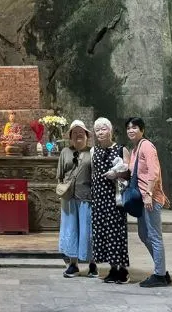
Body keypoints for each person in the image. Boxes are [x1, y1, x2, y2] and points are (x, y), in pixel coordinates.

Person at [126, 117, 171, 287]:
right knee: (144, 235)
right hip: (143, 198)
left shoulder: (146, 146)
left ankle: (160, 275)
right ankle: (162, 270)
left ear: (142, 130)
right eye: (128, 128)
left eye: (135, 127)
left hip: (149, 198)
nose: (131, 130)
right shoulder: (135, 149)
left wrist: (150, 193)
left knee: (154, 236)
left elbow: (154, 171)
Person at [90, 117, 130, 284]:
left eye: (103, 128)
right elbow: (93, 173)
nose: (100, 132)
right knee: (104, 233)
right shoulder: (93, 151)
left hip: (115, 198)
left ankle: (123, 270)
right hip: (99, 199)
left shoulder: (121, 149)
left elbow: (129, 172)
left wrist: (117, 174)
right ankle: (113, 269)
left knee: (117, 233)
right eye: (97, 129)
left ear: (110, 130)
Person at [57, 119, 97, 278]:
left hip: (87, 198)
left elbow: (97, 176)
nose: (78, 135)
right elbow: (60, 175)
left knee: (88, 230)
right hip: (68, 198)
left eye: (81, 132)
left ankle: (92, 263)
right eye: (75, 133)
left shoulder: (92, 152)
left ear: (87, 135)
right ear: (70, 136)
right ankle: (73, 264)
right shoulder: (65, 152)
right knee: (70, 230)